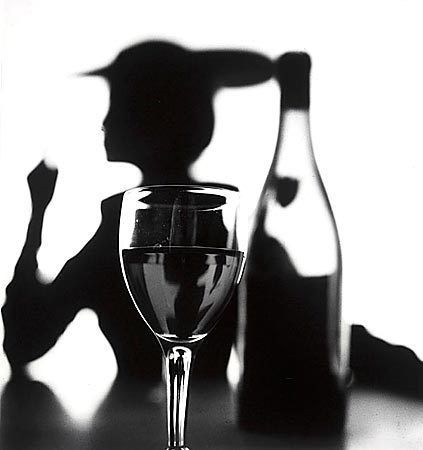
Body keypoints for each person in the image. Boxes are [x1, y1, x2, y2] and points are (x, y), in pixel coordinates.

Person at [1, 40, 273, 381]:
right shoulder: (229, 228)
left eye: (118, 105)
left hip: (135, 415)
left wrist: (38, 213)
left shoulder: (121, 232)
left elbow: (24, 341)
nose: (105, 121)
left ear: (152, 118)